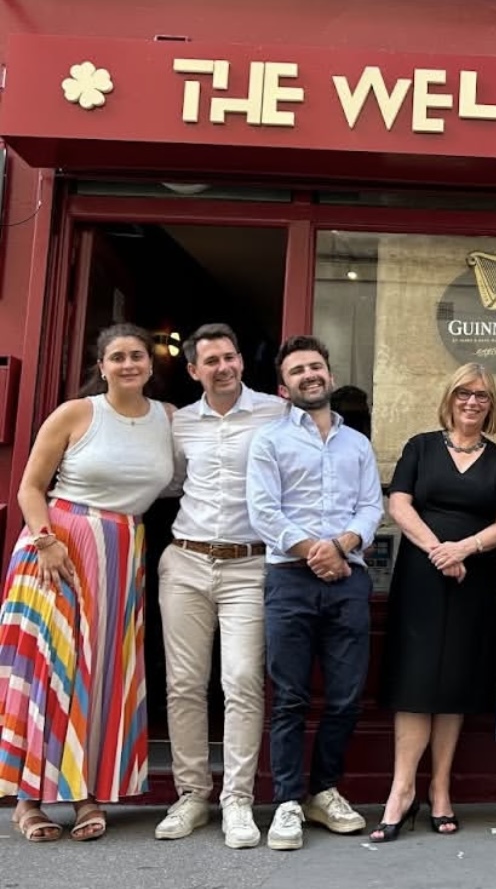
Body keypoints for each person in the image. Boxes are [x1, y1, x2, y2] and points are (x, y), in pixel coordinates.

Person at [0, 323, 174, 842]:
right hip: (61, 546)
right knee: (51, 669)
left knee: (100, 678)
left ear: (150, 364)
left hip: (123, 550)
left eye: (137, 355)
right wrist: (48, 541)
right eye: (117, 356)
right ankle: (28, 799)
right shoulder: (78, 414)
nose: (128, 364)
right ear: (101, 366)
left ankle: (84, 793)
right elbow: (31, 487)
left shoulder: (166, 419)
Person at [246, 335, 383, 852]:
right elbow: (264, 511)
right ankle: (286, 800)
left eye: (317, 366)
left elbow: (371, 507)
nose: (311, 375)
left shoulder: (358, 444)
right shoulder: (270, 441)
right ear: (285, 386)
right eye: (299, 369)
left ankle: (322, 791)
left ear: (328, 374)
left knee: (346, 697)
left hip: (347, 579)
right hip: (290, 579)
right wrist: (313, 551)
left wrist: (342, 545)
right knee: (290, 697)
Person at [153, 323, 287, 849]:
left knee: (242, 680)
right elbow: (161, 480)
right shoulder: (179, 423)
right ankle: (191, 795)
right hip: (185, 561)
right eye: (211, 361)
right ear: (193, 370)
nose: (224, 367)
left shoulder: (276, 413)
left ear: (241, 361)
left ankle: (237, 799)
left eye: (230, 357)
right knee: (184, 684)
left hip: (250, 565)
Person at [372, 363, 496, 842]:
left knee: (453, 683)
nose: (472, 402)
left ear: (491, 404)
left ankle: (439, 790)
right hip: (421, 579)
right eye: (464, 394)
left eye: (482, 396)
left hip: (472, 581)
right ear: (450, 398)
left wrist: (466, 549)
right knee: (415, 681)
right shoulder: (420, 446)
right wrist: (439, 550)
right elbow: (399, 504)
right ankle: (400, 790)